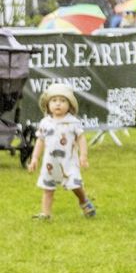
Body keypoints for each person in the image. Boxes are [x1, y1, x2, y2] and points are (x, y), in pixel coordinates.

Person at [28, 84, 96, 220]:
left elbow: (81, 138)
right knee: (48, 188)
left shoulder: (73, 122)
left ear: (69, 105)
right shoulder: (45, 122)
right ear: (48, 105)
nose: (58, 104)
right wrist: (35, 158)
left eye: (62, 100)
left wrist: (83, 156)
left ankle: (84, 201)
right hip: (50, 163)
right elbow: (40, 141)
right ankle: (46, 214)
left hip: (68, 162)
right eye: (54, 100)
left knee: (75, 185)